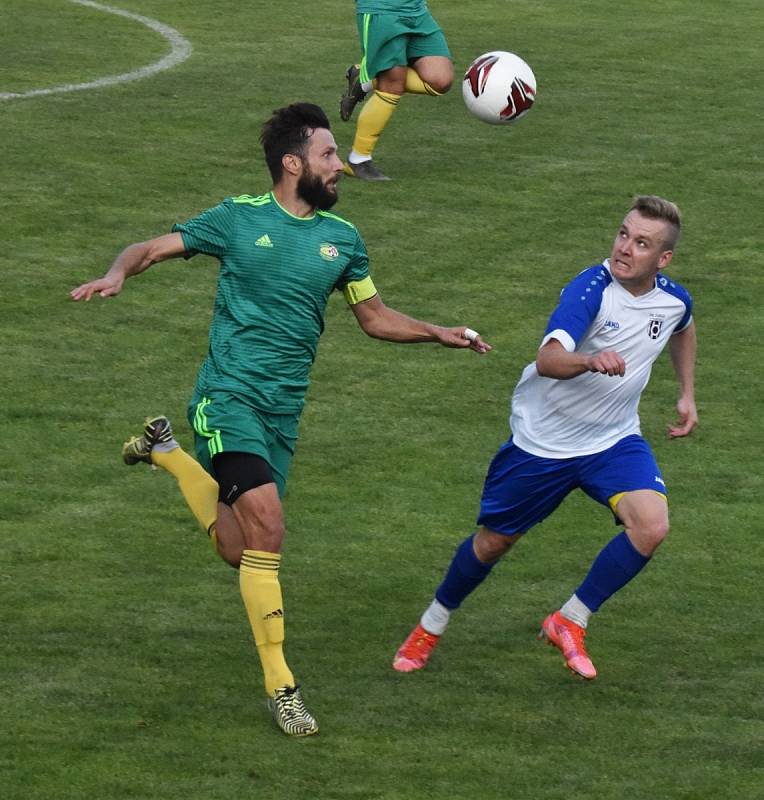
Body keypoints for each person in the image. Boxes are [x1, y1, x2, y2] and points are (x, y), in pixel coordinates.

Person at [70, 102, 490, 737]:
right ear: (293, 164)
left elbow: (373, 318)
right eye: (328, 155)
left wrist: (437, 332)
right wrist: (115, 272)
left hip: (281, 416)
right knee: (268, 526)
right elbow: (151, 247)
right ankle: (282, 686)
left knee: (238, 551)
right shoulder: (238, 218)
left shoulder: (343, 241)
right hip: (226, 398)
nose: (339, 165)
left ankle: (165, 453)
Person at [393, 195, 697, 680]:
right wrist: (590, 360)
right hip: (544, 445)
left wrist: (687, 394)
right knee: (493, 543)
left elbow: (682, 327)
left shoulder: (673, 298)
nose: (624, 248)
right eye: (623, 234)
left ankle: (569, 619)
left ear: (662, 260)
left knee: (652, 525)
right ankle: (431, 625)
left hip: (613, 440)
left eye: (641, 243)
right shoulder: (590, 290)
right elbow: (548, 360)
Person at [340, 0, 454, 181]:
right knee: (393, 83)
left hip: (416, 11)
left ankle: (364, 77)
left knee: (441, 80)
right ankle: (358, 159)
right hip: (381, 11)